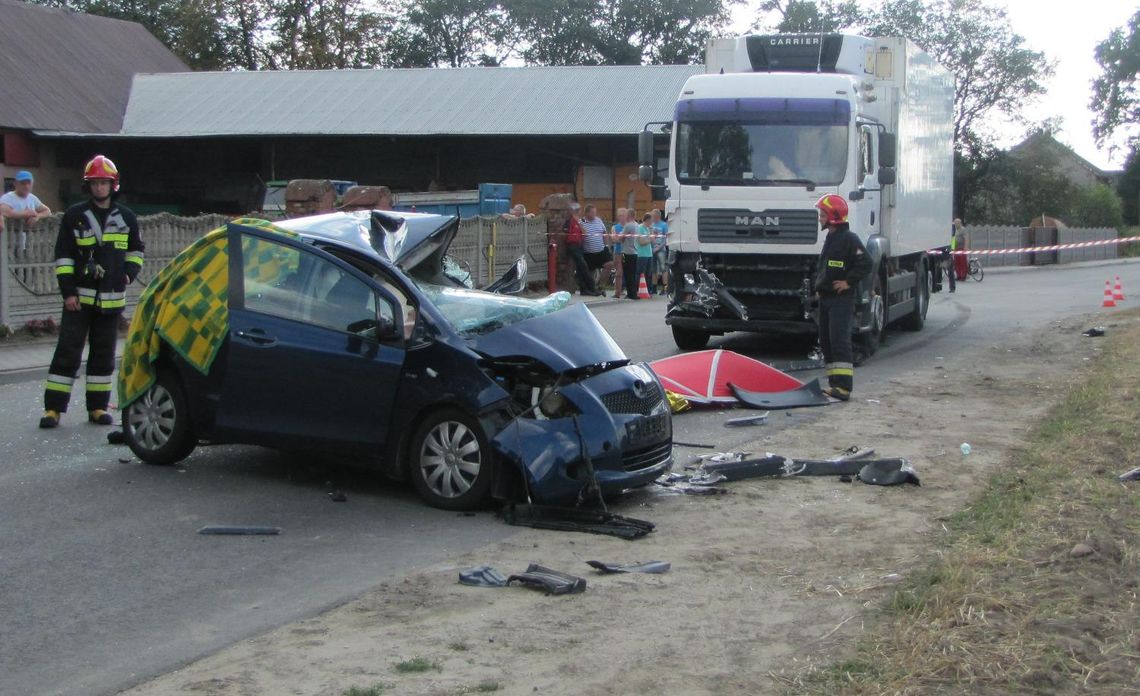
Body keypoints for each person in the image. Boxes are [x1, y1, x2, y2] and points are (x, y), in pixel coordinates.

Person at [39, 155, 144, 428]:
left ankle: (97, 408)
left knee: (103, 355)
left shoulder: (127, 217)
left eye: (104, 183)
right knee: (67, 353)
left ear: (113, 185)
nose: (99, 188)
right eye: (95, 183)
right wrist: (68, 293)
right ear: (88, 186)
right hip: (79, 300)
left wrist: (128, 273)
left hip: (111, 301)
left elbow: (136, 250)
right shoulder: (75, 215)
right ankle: (53, 409)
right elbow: (63, 256)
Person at [814, 193, 870, 402]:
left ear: (833, 216)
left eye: (822, 214)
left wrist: (848, 282)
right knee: (826, 341)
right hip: (827, 298)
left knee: (839, 341)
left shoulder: (849, 239)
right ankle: (834, 384)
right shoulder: (832, 237)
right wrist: (819, 286)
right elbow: (826, 267)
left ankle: (844, 387)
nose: (820, 218)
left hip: (841, 300)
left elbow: (866, 263)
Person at [1, 170, 52, 258]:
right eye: (23, 183)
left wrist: (37, 216)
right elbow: (4, 212)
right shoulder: (8, 197)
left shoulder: (32, 198)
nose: (26, 186)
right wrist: (25, 214)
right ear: (16, 184)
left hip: (27, 243)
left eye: (29, 183)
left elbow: (47, 211)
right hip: (10, 242)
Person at [563, 203, 600, 295]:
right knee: (583, 267)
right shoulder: (570, 221)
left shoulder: (579, 221)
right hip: (573, 245)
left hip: (579, 245)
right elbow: (565, 233)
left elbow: (584, 233)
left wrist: (579, 222)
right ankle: (591, 288)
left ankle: (585, 289)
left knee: (581, 268)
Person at [579, 204, 610, 290]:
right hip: (588, 252)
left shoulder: (599, 220)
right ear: (587, 213)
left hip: (601, 250)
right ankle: (591, 288)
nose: (594, 214)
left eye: (595, 212)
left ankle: (601, 285)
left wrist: (606, 245)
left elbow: (604, 233)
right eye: (592, 212)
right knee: (590, 271)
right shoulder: (581, 222)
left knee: (609, 264)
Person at [633, 212, 655, 297]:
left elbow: (652, 240)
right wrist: (650, 239)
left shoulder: (648, 229)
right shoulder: (641, 228)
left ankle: (648, 290)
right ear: (647, 220)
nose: (651, 223)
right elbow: (641, 242)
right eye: (651, 221)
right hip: (642, 254)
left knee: (648, 273)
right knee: (641, 273)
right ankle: (638, 289)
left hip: (649, 253)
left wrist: (651, 235)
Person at [620, 209, 641, 300]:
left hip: (627, 252)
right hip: (635, 252)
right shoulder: (637, 225)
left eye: (626, 215)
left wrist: (619, 236)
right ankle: (634, 292)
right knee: (633, 273)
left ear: (629, 216)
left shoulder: (628, 225)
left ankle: (630, 293)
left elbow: (621, 238)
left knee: (627, 273)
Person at [608, 207, 627, 298]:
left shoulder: (629, 226)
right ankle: (617, 292)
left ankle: (629, 290)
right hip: (618, 252)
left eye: (623, 215)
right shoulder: (615, 227)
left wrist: (620, 238)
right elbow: (614, 239)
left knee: (629, 272)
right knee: (619, 272)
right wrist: (621, 238)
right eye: (620, 215)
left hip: (628, 252)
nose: (621, 217)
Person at [650, 209, 668, 294]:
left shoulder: (664, 225)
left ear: (658, 216)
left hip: (661, 249)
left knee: (663, 268)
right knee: (653, 269)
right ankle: (654, 287)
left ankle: (665, 287)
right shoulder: (651, 225)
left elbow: (666, 238)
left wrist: (659, 247)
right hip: (652, 249)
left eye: (653, 216)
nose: (652, 218)